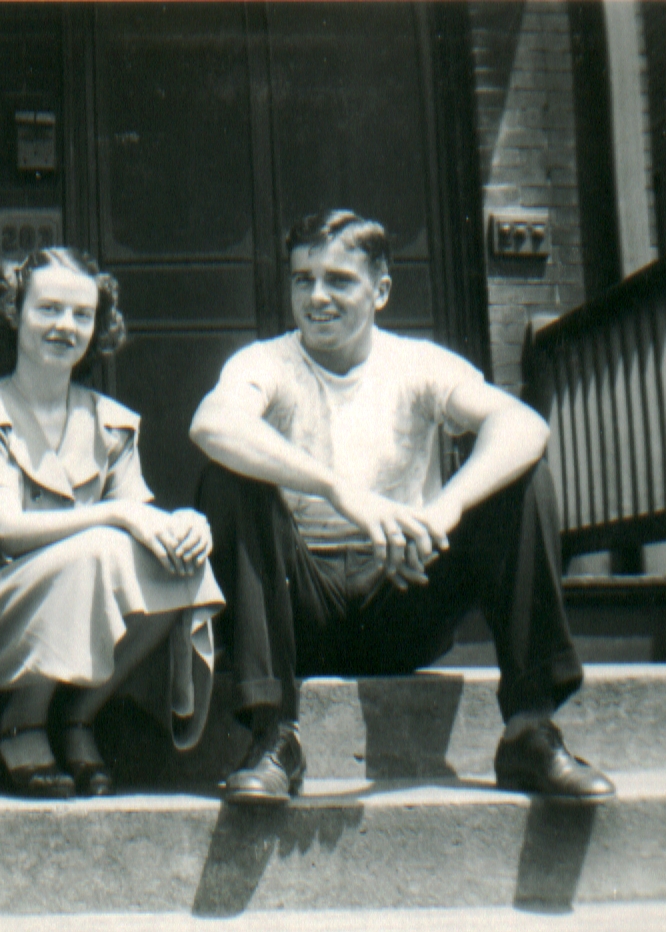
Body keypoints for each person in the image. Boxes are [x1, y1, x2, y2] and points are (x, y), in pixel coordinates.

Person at [190, 210, 614, 805]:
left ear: (381, 290)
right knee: (230, 479)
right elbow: (213, 423)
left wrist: (443, 511)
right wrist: (340, 491)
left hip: (402, 598)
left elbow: (523, 424)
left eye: (339, 279)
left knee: (521, 480)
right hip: (296, 610)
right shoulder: (266, 363)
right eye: (301, 279)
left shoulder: (418, 362)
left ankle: (529, 728)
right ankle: (272, 736)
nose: (316, 297)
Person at [0, 247, 222, 797]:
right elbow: (6, 529)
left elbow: (142, 531)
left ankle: (77, 716)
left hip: (76, 600)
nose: (65, 326)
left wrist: (188, 525)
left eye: (81, 314)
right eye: (48, 309)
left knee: (181, 564)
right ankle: (20, 721)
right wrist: (120, 514)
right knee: (101, 545)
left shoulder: (111, 422)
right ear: (14, 314)